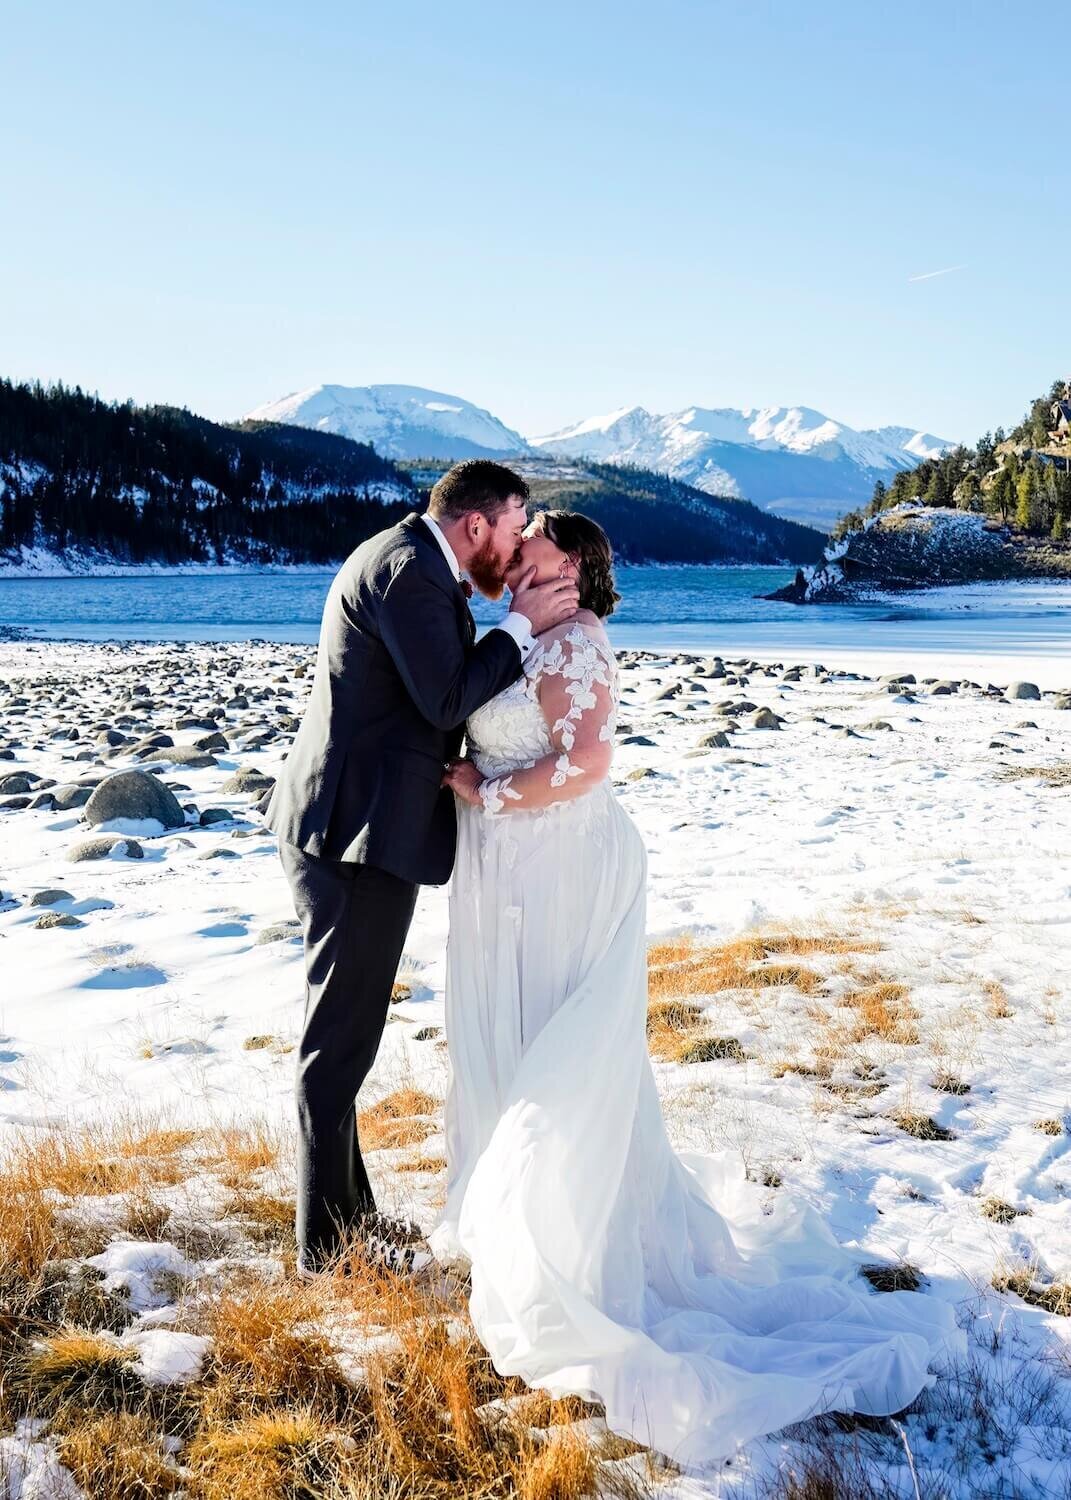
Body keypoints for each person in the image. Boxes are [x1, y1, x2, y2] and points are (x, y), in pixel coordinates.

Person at [431, 508, 965, 1468]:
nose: (521, 545)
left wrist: (484, 792)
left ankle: (567, 1244)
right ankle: (510, 1223)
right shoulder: (523, 633)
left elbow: (589, 764)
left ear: (575, 564)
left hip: (556, 865)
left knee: (562, 1054)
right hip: (500, 873)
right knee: (509, 1041)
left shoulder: (579, 645)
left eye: (539, 537)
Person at [264, 460, 579, 1277]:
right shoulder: (407, 572)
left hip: (353, 824)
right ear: (477, 525)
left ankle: (347, 1223)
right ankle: (324, 1255)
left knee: (346, 1035)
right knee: (337, 1045)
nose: (512, 553)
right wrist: (516, 627)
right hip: (355, 836)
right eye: (514, 531)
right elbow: (445, 700)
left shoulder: (408, 559)